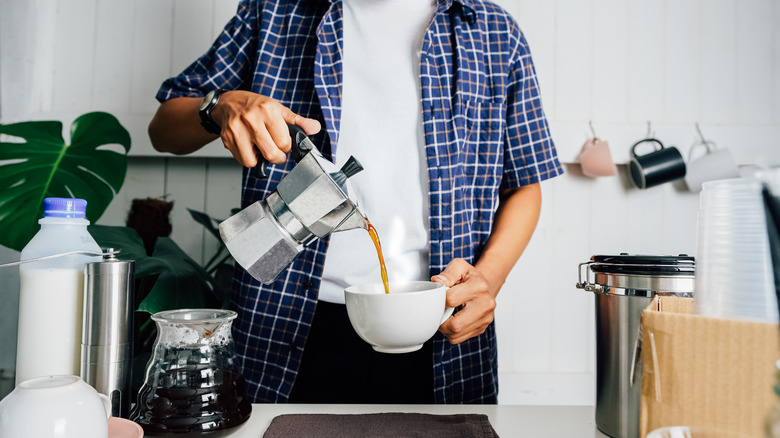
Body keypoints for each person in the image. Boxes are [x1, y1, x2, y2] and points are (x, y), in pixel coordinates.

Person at [147, 0, 562, 404]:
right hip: (289, 323)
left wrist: (489, 278)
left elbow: (524, 183)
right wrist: (219, 105)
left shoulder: (493, 30)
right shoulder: (273, 10)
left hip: (440, 326)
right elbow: (164, 130)